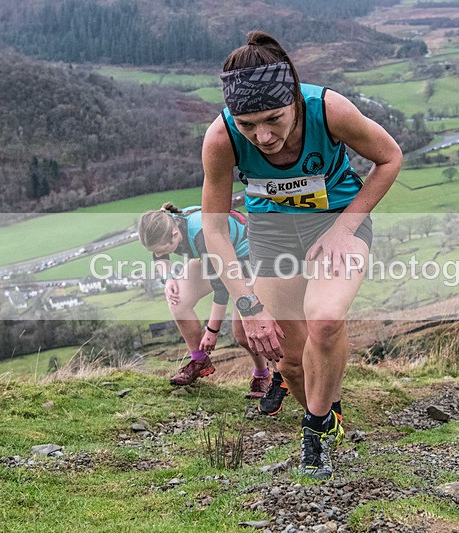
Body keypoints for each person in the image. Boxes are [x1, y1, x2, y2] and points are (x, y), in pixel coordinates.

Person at [200, 31, 402, 480]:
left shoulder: (330, 109)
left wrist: (345, 228)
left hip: (335, 220)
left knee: (326, 319)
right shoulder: (221, 138)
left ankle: (315, 430)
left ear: (293, 96)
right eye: (248, 124)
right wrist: (246, 302)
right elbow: (214, 227)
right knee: (289, 359)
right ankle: (327, 408)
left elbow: (389, 158)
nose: (263, 136)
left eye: (273, 119)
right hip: (271, 231)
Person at [138, 204, 283, 410]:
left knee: (242, 332)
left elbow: (221, 289)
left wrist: (212, 331)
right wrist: (168, 278)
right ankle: (199, 361)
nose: (161, 253)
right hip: (214, 261)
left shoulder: (202, 235)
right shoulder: (166, 223)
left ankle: (268, 375)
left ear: (175, 234)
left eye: (164, 248)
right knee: (177, 299)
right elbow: (159, 255)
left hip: (246, 259)